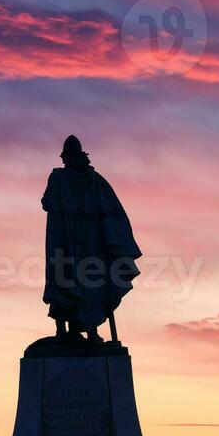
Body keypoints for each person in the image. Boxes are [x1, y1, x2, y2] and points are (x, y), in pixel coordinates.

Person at [42, 135, 142, 343]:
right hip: (79, 243)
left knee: (76, 282)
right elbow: (111, 210)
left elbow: (46, 202)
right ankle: (78, 331)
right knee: (75, 282)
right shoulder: (91, 180)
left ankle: (77, 331)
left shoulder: (66, 179)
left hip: (77, 242)